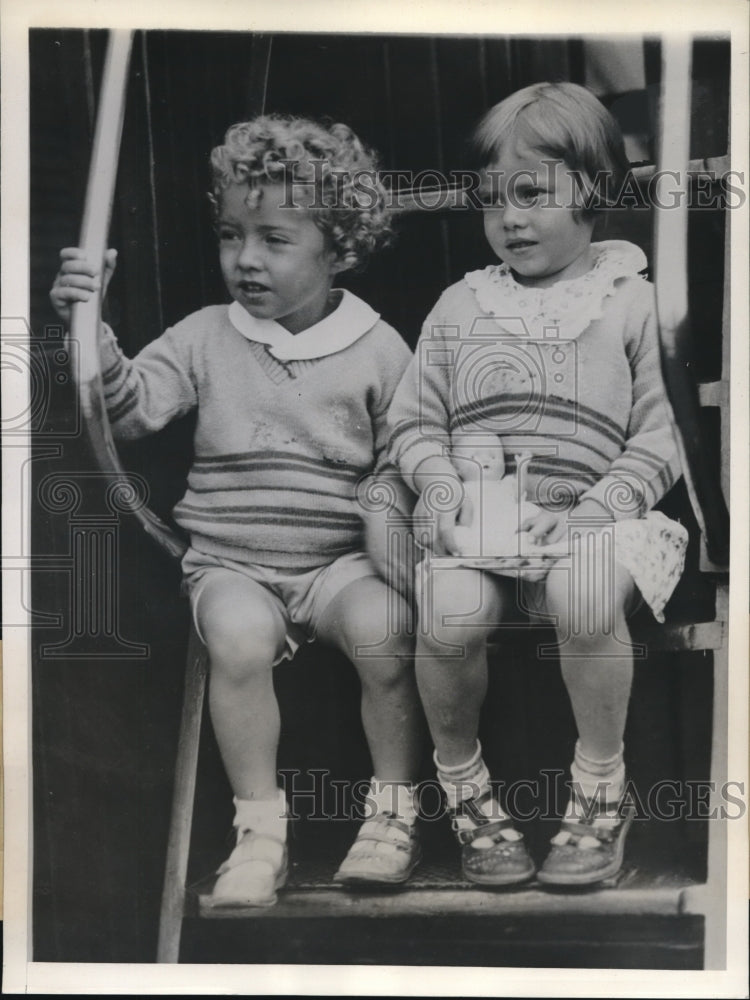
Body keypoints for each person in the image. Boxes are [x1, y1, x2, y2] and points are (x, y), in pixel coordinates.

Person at [50, 115, 423, 906]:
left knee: (386, 633)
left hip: (338, 562)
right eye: (231, 234)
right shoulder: (204, 336)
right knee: (237, 636)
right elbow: (129, 410)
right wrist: (93, 332)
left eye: (275, 239)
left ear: (338, 248)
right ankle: (260, 831)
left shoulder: (381, 348)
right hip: (232, 561)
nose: (245, 258)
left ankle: (393, 814)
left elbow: (409, 451)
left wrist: (393, 517)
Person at [388, 82, 688, 886]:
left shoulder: (632, 302)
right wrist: (443, 495)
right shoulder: (461, 305)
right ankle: (468, 791)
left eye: (531, 195)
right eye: (492, 201)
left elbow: (664, 435)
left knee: (584, 597)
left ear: (591, 191)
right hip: (483, 528)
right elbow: (414, 423)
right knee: (447, 615)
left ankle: (598, 788)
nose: (509, 218)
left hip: (592, 521)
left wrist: (596, 509)